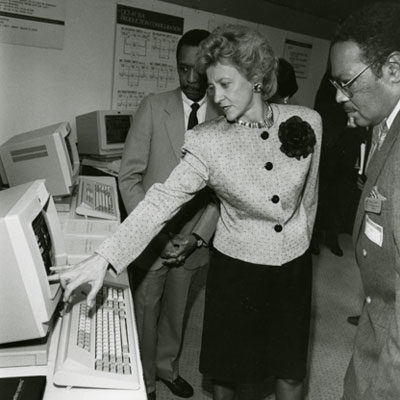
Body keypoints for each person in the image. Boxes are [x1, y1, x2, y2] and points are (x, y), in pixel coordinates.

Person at [50, 24, 322, 400]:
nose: (217, 96)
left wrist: (300, 244)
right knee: (228, 373)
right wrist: (104, 258)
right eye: (212, 87)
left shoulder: (308, 123)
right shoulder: (206, 141)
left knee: (289, 372)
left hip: (292, 267)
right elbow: (161, 200)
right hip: (237, 267)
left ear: (257, 78)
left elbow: (309, 201)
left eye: (225, 84)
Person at [118, 29, 220, 400]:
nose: (191, 80)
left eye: (199, 70)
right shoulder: (152, 106)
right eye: (183, 70)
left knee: (177, 313)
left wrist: (196, 237)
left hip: (193, 241)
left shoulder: (225, 117)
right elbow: (128, 177)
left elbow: (221, 194)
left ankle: (166, 367)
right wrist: (153, 232)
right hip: (151, 238)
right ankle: (144, 382)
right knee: (145, 311)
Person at [329, 2, 400, 398]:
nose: (340, 98)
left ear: (393, 68)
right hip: (376, 332)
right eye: (334, 86)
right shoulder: (382, 125)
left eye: (347, 83)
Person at [311, 70, 368, 257]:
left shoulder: (360, 77)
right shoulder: (332, 76)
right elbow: (321, 107)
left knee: (341, 194)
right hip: (330, 146)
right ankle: (315, 237)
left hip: (350, 147)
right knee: (322, 191)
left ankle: (332, 236)